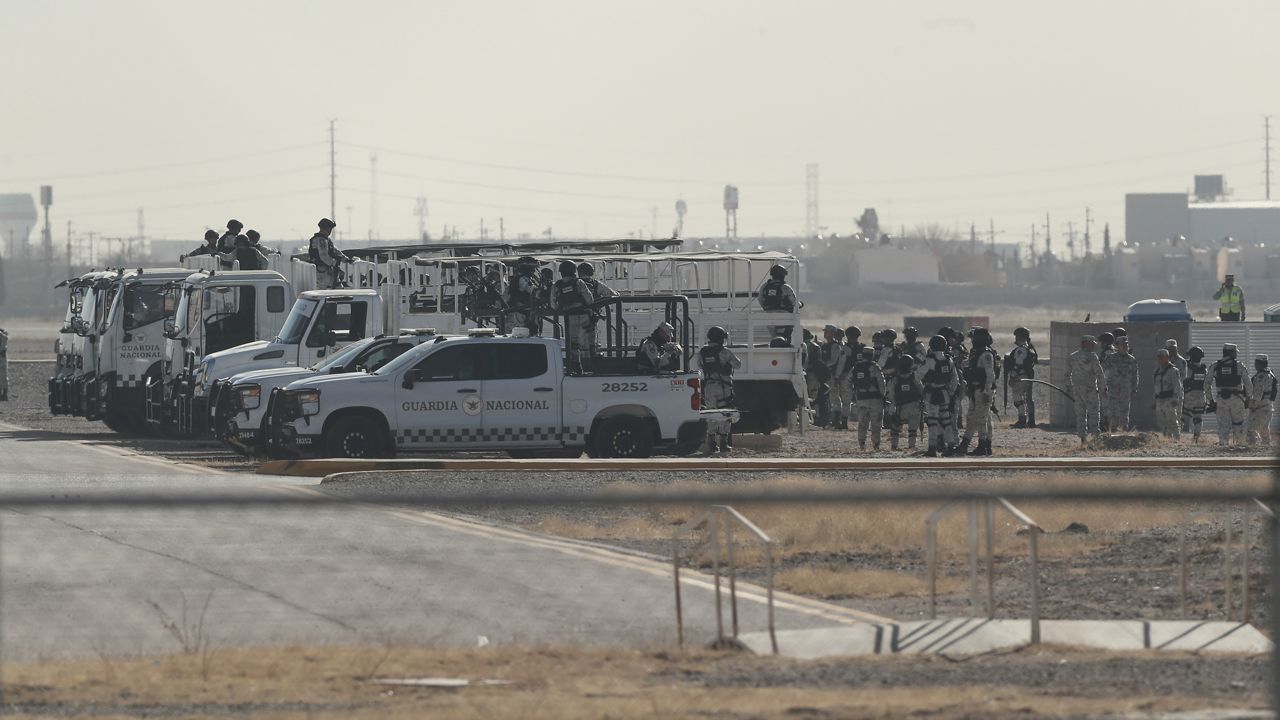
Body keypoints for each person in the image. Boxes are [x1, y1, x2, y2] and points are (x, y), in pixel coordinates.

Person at [696, 326, 741, 454]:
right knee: (725, 414)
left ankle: (711, 443)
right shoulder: (725, 352)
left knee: (711, 414)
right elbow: (738, 365)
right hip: (723, 387)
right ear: (721, 339)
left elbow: (700, 366)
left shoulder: (702, 352)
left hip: (709, 387)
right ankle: (724, 443)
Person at [955, 327, 996, 456]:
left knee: (981, 419)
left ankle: (982, 446)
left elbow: (990, 375)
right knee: (972, 417)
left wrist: (986, 392)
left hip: (983, 391)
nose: (972, 341)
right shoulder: (977, 352)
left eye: (974, 338)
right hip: (974, 391)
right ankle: (966, 444)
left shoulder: (986, 354)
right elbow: (971, 366)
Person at [551, 260, 595, 373]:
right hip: (583, 316)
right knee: (586, 342)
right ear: (573, 271)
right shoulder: (578, 282)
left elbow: (553, 305)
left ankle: (576, 366)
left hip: (568, 318)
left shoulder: (557, 285)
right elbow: (590, 300)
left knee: (573, 344)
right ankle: (590, 366)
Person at [920, 334, 959, 457]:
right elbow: (955, 379)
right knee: (946, 421)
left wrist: (923, 390)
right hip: (945, 393)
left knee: (932, 421)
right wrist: (950, 393)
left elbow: (918, 375)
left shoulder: (930, 359)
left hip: (932, 393)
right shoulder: (949, 359)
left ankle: (932, 448)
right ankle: (951, 446)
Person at [1209, 343, 1253, 446]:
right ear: (1231, 353)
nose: (1236, 355)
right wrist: (1248, 398)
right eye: (1235, 352)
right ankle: (1240, 445)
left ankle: (1223, 445)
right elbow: (1248, 384)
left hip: (1221, 400)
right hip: (1237, 399)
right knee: (1239, 423)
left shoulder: (1215, 366)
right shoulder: (1239, 365)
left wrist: (1211, 400)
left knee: (1223, 425)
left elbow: (1206, 384)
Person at [1065, 335, 1104, 442]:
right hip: (1090, 390)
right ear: (1085, 344)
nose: (1093, 347)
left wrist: (1069, 388)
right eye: (1091, 344)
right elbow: (1099, 374)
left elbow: (1067, 374)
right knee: (1094, 413)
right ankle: (1095, 438)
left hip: (1077, 390)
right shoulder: (1092, 357)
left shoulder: (1073, 356)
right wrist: (1103, 389)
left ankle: (1083, 438)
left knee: (1080, 415)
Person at [849, 347, 886, 451]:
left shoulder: (856, 367)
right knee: (876, 424)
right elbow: (881, 383)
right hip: (875, 400)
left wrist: (853, 395)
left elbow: (848, 381)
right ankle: (876, 445)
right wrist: (883, 396)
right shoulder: (875, 367)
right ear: (872, 355)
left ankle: (862, 444)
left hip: (861, 399)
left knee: (862, 423)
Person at [577, 262, 616, 355]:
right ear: (591, 272)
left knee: (576, 344)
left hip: (573, 318)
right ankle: (591, 361)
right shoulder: (596, 284)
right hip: (591, 318)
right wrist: (599, 302)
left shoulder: (575, 283)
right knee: (591, 343)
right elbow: (613, 294)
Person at [1102, 336, 1139, 433]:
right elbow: (1103, 372)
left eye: (1126, 344)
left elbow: (1135, 375)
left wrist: (1134, 389)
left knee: (1124, 413)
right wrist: (1103, 387)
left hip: (1125, 391)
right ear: (1117, 346)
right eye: (1123, 344)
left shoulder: (1132, 360)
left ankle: (1124, 434)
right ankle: (1113, 434)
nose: (1125, 346)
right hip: (1113, 390)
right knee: (1113, 413)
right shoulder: (1110, 358)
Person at [887, 355, 923, 451]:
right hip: (914, 406)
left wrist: (892, 405)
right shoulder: (914, 377)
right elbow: (921, 391)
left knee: (895, 428)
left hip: (900, 408)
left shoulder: (895, 379)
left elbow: (890, 394)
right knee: (913, 429)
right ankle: (911, 445)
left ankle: (894, 445)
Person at [821, 325, 852, 430]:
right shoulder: (826, 345)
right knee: (833, 397)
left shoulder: (835, 346)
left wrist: (835, 374)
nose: (825, 333)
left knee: (842, 398)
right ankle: (836, 420)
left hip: (836, 375)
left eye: (827, 332)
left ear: (833, 333)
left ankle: (842, 421)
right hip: (830, 375)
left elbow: (835, 361)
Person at [1006, 327, 1038, 428]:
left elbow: (1018, 365)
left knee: (1018, 399)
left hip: (1020, 377)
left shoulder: (1021, 350)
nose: (1015, 338)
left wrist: (1012, 377)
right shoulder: (1028, 348)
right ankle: (1031, 421)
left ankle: (1022, 420)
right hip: (1027, 377)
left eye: (1016, 336)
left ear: (1019, 337)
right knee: (1028, 399)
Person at [758, 264, 797, 344]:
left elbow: (760, 300)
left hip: (769, 317)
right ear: (783, 275)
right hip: (784, 317)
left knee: (774, 337)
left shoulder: (764, 286)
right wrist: (800, 304)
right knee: (789, 332)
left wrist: (768, 309)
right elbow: (794, 302)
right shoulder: (785, 287)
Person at [308, 218, 349, 289]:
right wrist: (334, 263)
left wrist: (345, 259)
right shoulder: (321, 240)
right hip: (322, 272)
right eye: (329, 228)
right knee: (322, 293)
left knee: (338, 290)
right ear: (325, 228)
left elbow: (335, 250)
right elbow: (324, 257)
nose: (330, 231)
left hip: (328, 271)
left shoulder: (325, 239)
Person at [503, 257, 541, 335]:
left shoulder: (517, 279)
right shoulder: (522, 279)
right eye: (533, 268)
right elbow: (534, 292)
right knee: (523, 337)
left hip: (519, 313)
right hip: (520, 315)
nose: (534, 271)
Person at [803, 328, 832, 427]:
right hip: (813, 375)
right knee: (813, 397)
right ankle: (814, 418)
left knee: (807, 396)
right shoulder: (815, 347)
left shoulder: (801, 346)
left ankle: (811, 418)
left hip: (806, 374)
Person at [1152, 349, 1184, 439]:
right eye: (1159, 357)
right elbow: (1155, 387)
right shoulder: (1156, 371)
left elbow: (1177, 386)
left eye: (1162, 357)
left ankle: (1177, 439)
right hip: (1159, 399)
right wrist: (1154, 401)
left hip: (1169, 399)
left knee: (1172, 421)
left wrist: (1175, 398)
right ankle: (1167, 439)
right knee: (1161, 422)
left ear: (1167, 358)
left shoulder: (1173, 370)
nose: (1160, 359)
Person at [1181, 346, 1210, 442]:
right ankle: (1196, 437)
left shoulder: (1189, 368)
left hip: (1190, 394)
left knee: (1183, 416)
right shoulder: (1203, 369)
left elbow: (1185, 380)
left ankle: (1175, 436)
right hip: (1202, 395)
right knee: (1198, 418)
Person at [1247, 354, 1277, 446]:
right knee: (1264, 428)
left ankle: (1251, 446)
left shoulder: (1261, 376)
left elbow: (1258, 393)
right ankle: (1266, 446)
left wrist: (1252, 404)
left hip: (1261, 406)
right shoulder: (1270, 373)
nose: (1255, 365)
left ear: (1259, 363)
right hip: (1268, 405)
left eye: (1256, 363)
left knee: (1249, 428)